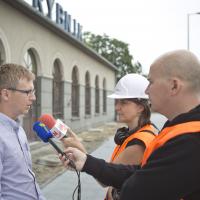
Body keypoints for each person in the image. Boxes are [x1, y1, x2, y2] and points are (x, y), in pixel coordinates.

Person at [60, 49, 200, 200]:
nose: (147, 90)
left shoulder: (190, 141)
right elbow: (139, 172)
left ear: (174, 86)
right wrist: (87, 161)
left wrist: (115, 192)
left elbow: (135, 191)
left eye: (151, 82)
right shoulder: (178, 129)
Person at [62, 74, 157, 200]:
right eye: (117, 102)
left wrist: (81, 152)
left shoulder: (139, 143)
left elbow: (105, 179)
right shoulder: (133, 133)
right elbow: (109, 170)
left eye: (123, 102)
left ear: (140, 107)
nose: (117, 107)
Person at [0, 63, 45, 199]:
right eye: (27, 92)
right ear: (6, 94)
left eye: (34, 92)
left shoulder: (19, 130)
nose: (33, 97)